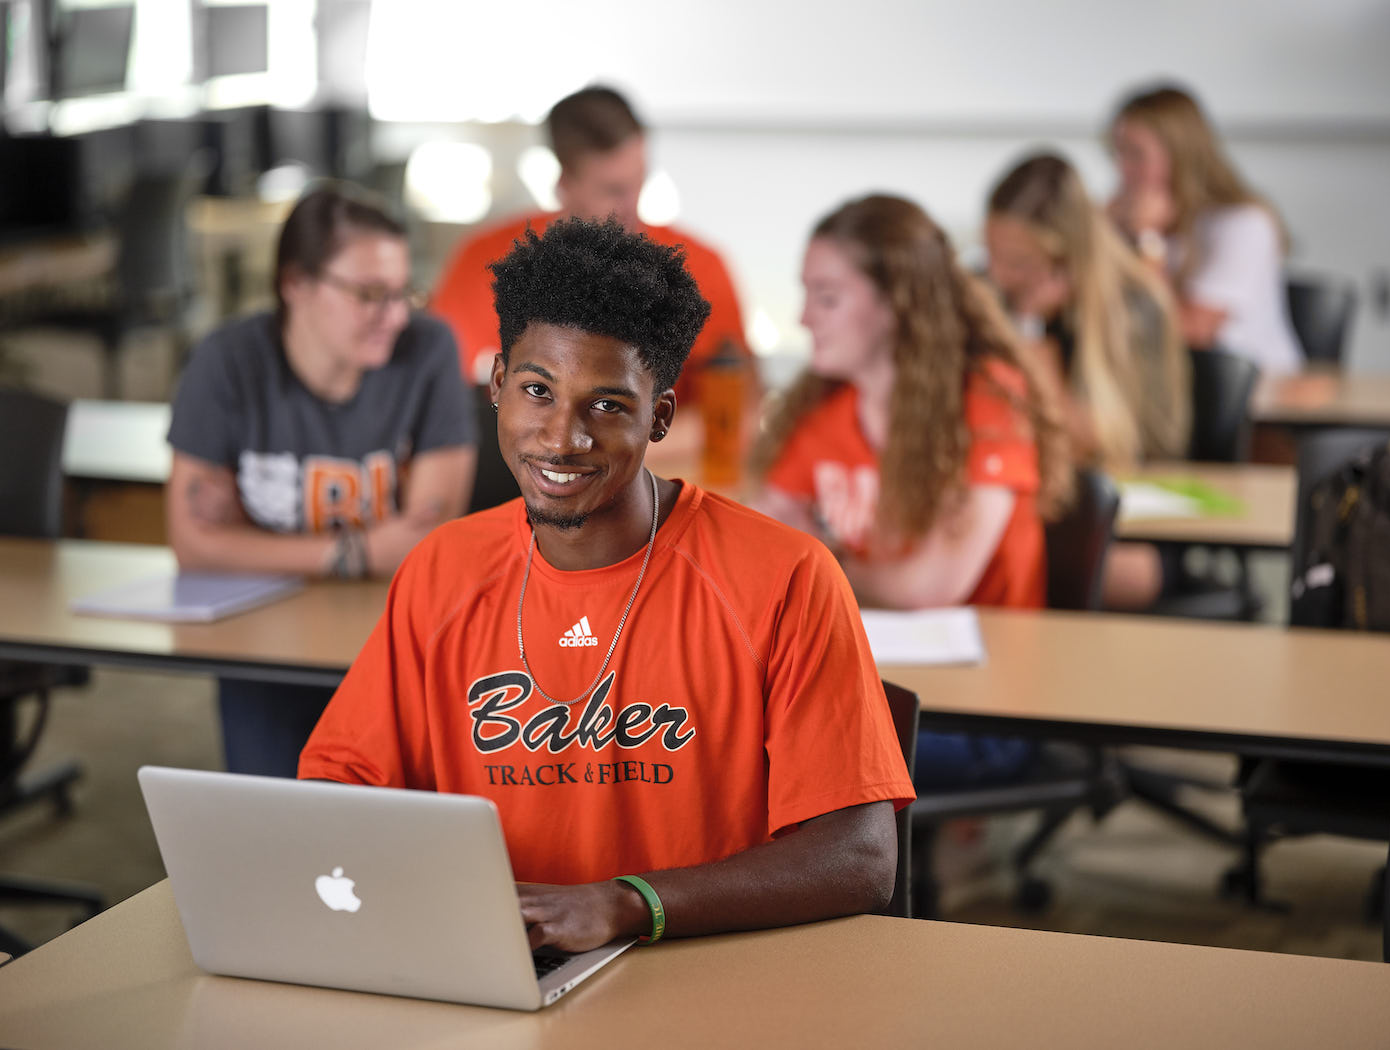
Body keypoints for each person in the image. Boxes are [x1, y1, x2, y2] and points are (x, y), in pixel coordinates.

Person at [300, 217, 913, 953]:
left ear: (659, 418)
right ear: (497, 384)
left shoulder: (784, 577)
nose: (563, 437)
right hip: (496, 965)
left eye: (608, 405)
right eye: (537, 390)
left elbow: (862, 857)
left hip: (703, 970)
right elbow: (341, 788)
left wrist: (631, 904)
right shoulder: (443, 570)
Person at [751, 194, 1072, 788]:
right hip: (863, 679)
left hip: (982, 707)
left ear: (897, 303)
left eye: (826, 297)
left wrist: (823, 561)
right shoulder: (826, 407)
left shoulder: (985, 401)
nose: (802, 318)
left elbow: (929, 587)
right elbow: (759, 542)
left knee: (756, 753)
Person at [166, 182, 477, 778]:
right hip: (259, 640)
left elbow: (423, 543)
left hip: (392, 640)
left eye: (402, 293)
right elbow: (195, 546)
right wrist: (359, 550)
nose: (394, 316)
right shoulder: (226, 361)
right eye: (368, 294)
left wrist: (256, 546)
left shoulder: (428, 348)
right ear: (296, 285)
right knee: (273, 832)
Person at [430, 86, 753, 453]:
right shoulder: (481, 265)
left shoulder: (699, 268)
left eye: (639, 182)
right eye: (613, 191)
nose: (632, 207)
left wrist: (587, 452)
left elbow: (737, 422)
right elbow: (441, 420)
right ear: (563, 186)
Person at [985, 152, 1191, 608]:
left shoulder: (1137, 308)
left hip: (1126, 518)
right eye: (993, 256)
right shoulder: (994, 294)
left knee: (1076, 567)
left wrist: (1028, 329)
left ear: (1065, 258)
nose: (1000, 276)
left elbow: (1094, 444)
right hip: (1028, 505)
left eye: (1019, 262)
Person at [1107, 84, 1303, 373]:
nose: (1122, 169)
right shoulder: (1121, 219)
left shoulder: (1244, 223)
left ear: (1180, 155)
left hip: (1252, 392)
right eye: (1117, 153)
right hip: (1171, 389)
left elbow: (1193, 332)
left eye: (1135, 154)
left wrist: (1147, 241)